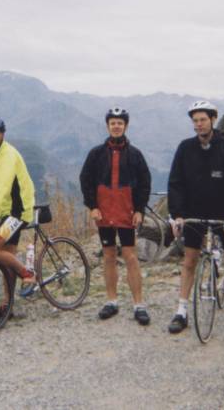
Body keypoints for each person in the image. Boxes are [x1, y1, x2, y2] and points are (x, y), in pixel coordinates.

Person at [166, 100, 224, 341]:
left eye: (203, 120)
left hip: (222, 216)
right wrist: (177, 215)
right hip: (194, 215)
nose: (198, 125)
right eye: (195, 121)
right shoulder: (185, 149)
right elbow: (176, 184)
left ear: (212, 120)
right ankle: (181, 312)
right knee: (189, 263)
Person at [80, 107, 152, 325]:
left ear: (126, 126)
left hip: (126, 213)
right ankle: (111, 301)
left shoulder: (136, 154)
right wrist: (92, 206)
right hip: (104, 213)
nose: (116, 126)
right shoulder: (96, 154)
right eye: (113, 123)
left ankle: (139, 304)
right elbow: (86, 180)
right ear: (107, 125)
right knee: (109, 256)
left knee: (130, 257)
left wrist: (139, 209)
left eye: (120, 123)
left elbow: (145, 183)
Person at [0, 117, 37, 317]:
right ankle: (7, 307)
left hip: (17, 212)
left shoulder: (8, 155)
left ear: (3, 134)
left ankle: (28, 275)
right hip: (8, 211)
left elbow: (2, 189)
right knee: (7, 260)